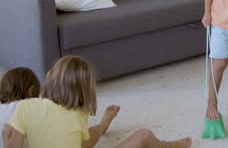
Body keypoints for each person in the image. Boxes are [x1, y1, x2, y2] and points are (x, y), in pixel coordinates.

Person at [3, 56, 192, 148]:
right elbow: (85, 145)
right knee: (143, 135)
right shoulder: (78, 115)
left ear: (49, 78)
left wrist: (8, 135)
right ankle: (167, 146)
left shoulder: (24, 107)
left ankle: (103, 125)